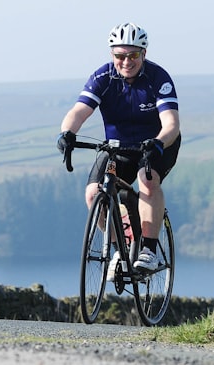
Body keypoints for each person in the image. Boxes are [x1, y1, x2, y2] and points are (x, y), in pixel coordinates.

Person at [56, 22, 181, 272]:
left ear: (143, 54)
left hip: (156, 145)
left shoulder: (158, 78)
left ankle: (148, 249)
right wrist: (67, 133)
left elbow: (171, 124)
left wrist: (158, 142)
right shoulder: (103, 77)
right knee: (94, 194)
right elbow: (79, 110)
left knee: (147, 180)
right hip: (118, 148)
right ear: (112, 55)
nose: (126, 61)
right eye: (120, 55)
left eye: (133, 55)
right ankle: (118, 250)